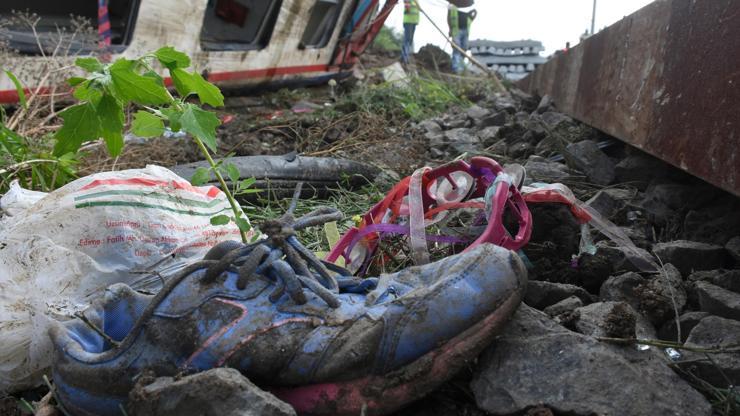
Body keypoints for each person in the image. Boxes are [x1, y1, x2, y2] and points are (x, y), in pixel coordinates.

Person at [448, 4, 477, 74]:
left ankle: (461, 67)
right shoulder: (452, 5)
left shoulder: (467, 5)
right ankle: (456, 68)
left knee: (464, 48)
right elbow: (448, 18)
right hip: (456, 30)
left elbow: (474, 13)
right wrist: (450, 29)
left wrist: (472, 17)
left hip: (465, 30)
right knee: (457, 49)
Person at [401, 0, 419, 65]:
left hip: (413, 22)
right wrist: (407, 6)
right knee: (407, 40)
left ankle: (404, 57)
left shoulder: (416, 1)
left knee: (409, 40)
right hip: (409, 21)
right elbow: (407, 6)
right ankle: (405, 58)